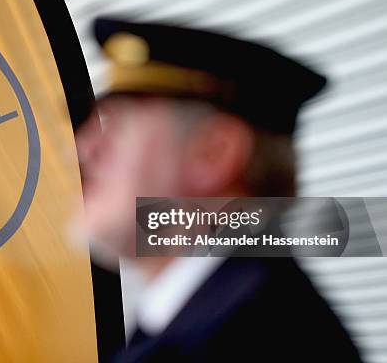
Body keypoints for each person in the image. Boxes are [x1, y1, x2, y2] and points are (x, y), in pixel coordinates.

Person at [71, 18, 362, 362]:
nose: (83, 151)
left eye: (115, 127)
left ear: (214, 153)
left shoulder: (257, 338)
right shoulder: (201, 319)